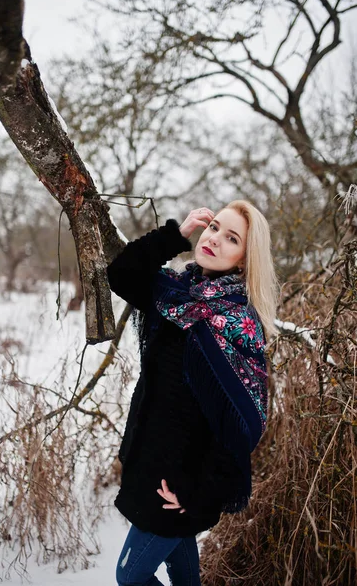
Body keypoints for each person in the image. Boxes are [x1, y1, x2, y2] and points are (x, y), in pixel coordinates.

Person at [107, 202, 279, 586]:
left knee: (130, 577)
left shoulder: (238, 323)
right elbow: (121, 273)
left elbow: (244, 424)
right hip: (151, 461)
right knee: (184, 573)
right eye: (214, 227)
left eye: (231, 238)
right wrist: (175, 235)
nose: (214, 238)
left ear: (243, 261)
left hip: (183, 483)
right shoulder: (174, 292)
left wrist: (197, 491)